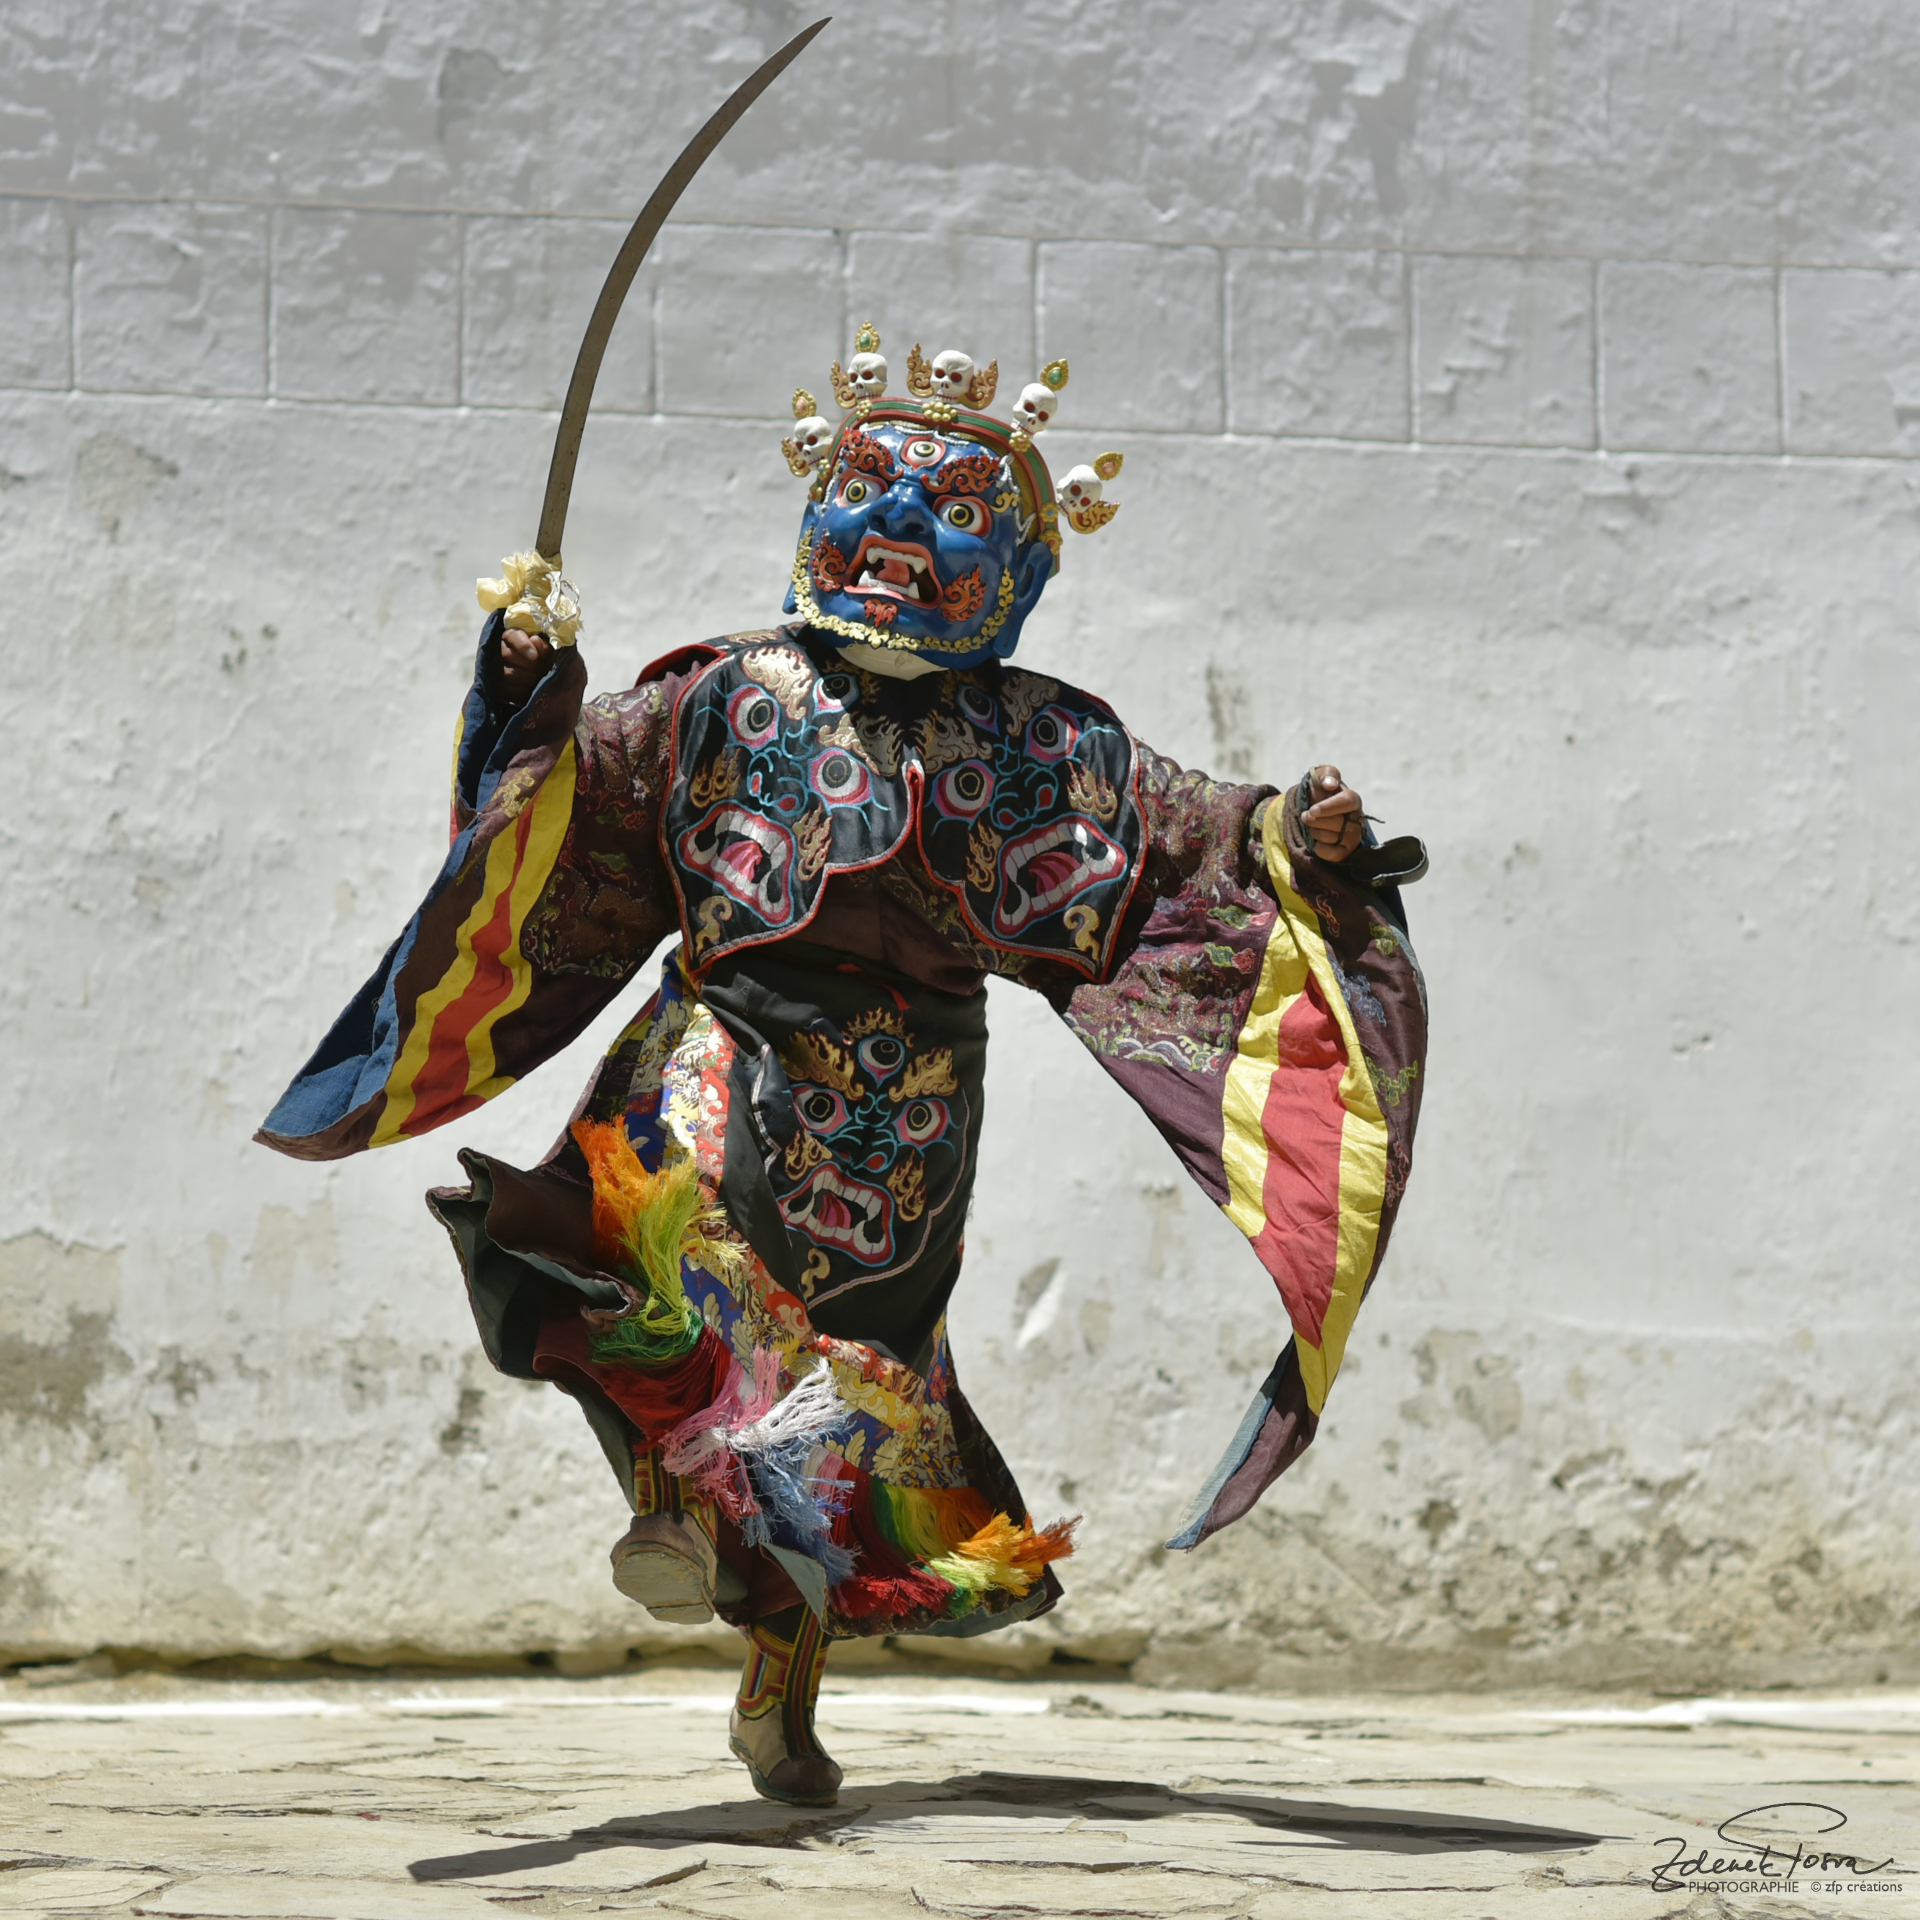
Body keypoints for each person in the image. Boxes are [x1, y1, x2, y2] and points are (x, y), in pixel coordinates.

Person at [258, 328, 1427, 1807]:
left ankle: (780, 1677)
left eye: (953, 512)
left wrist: (1298, 841)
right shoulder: (716, 697)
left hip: (905, 1120)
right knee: (663, 1276)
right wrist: (524, 686)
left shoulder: (1048, 742)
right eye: (871, 489)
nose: (899, 529)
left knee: (842, 1408)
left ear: (1019, 565)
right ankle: (677, 1509)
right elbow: (559, 803)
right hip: (713, 1046)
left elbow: (1195, 846)